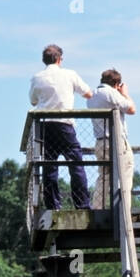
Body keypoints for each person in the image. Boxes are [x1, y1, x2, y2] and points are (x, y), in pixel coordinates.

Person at [28, 44, 92, 210]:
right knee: (76, 164)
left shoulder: (37, 77)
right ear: (58, 58)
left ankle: (53, 206)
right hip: (64, 124)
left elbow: (33, 101)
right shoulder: (69, 74)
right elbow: (88, 93)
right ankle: (82, 204)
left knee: (49, 167)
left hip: (44, 126)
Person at [87, 68, 136, 210]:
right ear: (116, 83)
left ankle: (97, 208)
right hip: (116, 141)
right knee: (126, 173)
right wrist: (125, 94)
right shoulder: (111, 93)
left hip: (100, 141)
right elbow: (132, 109)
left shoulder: (92, 95)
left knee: (104, 176)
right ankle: (124, 209)